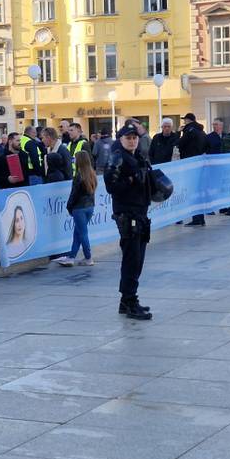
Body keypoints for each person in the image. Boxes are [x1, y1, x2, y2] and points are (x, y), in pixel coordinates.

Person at [104, 122, 153, 321]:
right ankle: (130, 301)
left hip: (140, 212)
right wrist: (132, 180)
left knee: (138, 258)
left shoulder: (137, 156)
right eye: (128, 138)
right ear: (121, 139)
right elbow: (111, 186)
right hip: (128, 214)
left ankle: (127, 301)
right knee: (132, 258)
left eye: (134, 138)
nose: (132, 141)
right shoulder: (117, 158)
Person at [56, 150, 98, 267]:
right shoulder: (92, 174)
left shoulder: (79, 176)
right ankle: (71, 257)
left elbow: (74, 194)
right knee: (78, 233)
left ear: (79, 161)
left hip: (79, 208)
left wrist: (69, 207)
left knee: (82, 233)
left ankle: (88, 258)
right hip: (90, 207)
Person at [178, 113, 208, 227]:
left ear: (188, 120)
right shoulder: (201, 131)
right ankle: (201, 218)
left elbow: (179, 143)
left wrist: (178, 133)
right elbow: (207, 145)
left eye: (184, 120)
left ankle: (196, 218)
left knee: (192, 192)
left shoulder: (189, 131)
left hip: (189, 164)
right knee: (198, 191)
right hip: (199, 162)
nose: (184, 122)